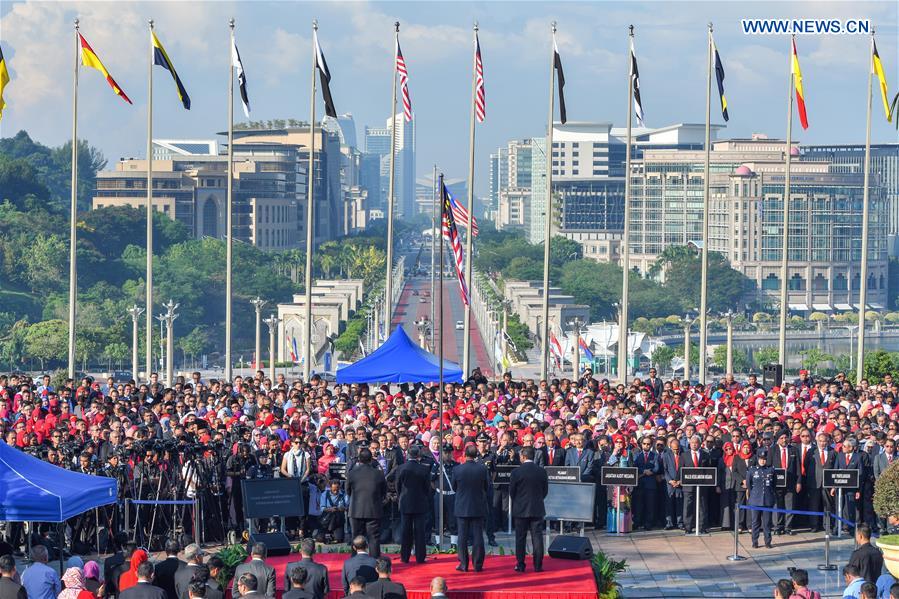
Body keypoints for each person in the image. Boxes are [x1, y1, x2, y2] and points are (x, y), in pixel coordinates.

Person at [452, 444, 492, 572]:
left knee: (462, 536)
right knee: (478, 535)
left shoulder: (457, 469)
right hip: (478, 505)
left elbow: (454, 487)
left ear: (465, 454)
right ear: (476, 455)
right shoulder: (482, 469)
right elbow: (487, 487)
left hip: (462, 506)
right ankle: (477, 564)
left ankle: (463, 564)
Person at [509, 446, 549, 573]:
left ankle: (520, 564)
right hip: (537, 508)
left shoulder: (516, 472)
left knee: (520, 537)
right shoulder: (541, 471)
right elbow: (545, 491)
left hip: (521, 509)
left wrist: (518, 501)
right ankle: (538, 565)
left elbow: (512, 492)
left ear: (523, 456)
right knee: (537, 537)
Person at [392, 445, 431, 565]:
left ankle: (405, 557)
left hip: (405, 502)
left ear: (408, 454)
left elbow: (397, 486)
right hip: (420, 502)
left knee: (406, 530)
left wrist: (401, 497)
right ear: (418, 455)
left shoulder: (401, 468)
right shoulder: (424, 469)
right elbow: (427, 487)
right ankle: (420, 557)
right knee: (420, 531)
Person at [346, 449, 387, 559]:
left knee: (356, 537)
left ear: (359, 459)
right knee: (373, 538)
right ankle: (374, 562)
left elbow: (347, 491)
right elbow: (384, 492)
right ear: (371, 460)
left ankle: (355, 561)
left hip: (356, 509)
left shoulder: (352, 473)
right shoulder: (378, 473)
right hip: (373, 509)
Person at [746, 450, 775, 549]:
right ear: (758, 459)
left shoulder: (770, 470)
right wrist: (753, 495)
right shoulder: (752, 470)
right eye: (761, 459)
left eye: (764, 459)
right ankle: (755, 542)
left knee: (767, 523)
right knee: (755, 522)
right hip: (755, 500)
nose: (762, 461)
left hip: (767, 500)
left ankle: (768, 542)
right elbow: (749, 485)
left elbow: (773, 484)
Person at [682, 435, 709, 535]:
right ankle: (688, 527)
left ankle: (702, 527)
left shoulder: (705, 455)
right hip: (688, 485)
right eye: (692, 443)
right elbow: (681, 469)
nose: (694, 444)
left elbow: (709, 469)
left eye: (696, 443)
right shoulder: (684, 455)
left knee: (702, 506)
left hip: (701, 485)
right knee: (687, 507)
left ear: (700, 444)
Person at [633, 435, 660, 531]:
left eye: (648, 444)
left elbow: (657, 468)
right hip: (639, 483)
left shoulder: (655, 455)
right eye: (644, 443)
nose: (646, 445)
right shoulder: (637, 455)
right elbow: (634, 466)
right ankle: (637, 522)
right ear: (641, 444)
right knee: (638, 505)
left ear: (651, 445)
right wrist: (644, 471)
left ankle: (648, 524)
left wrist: (651, 471)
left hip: (650, 484)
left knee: (650, 505)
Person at [662, 436, 684, 530]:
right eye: (674, 449)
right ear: (670, 447)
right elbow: (664, 469)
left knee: (680, 503)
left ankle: (680, 523)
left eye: (677, 449)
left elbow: (686, 469)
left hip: (680, 483)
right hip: (670, 484)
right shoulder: (666, 455)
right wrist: (670, 480)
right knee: (669, 503)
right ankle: (669, 523)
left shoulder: (683, 454)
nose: (676, 451)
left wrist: (681, 481)